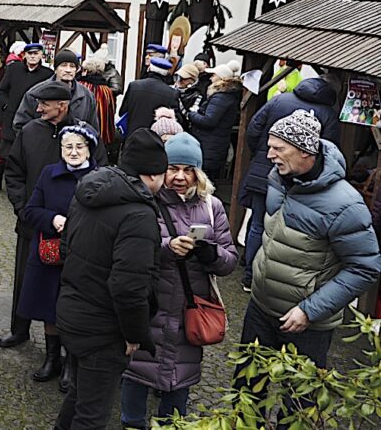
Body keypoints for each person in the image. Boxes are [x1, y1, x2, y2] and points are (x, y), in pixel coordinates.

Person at [236, 110, 380, 390]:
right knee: (246, 392)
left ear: (304, 151)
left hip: (306, 325)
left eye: (278, 148)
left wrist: (309, 311)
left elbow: (365, 267)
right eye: (269, 147)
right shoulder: (277, 178)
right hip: (261, 308)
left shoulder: (345, 205)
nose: (269, 156)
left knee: (298, 406)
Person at [54, 129, 169, 430]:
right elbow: (129, 286)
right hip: (104, 328)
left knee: (80, 394)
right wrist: (135, 333)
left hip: (73, 311)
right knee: (92, 415)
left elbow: (66, 247)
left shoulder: (88, 190)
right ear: (155, 174)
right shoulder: (139, 214)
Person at [121, 133, 237, 428]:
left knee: (179, 380)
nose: (180, 177)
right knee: (136, 374)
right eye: (173, 168)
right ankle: (132, 423)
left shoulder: (212, 207)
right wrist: (167, 247)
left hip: (188, 312)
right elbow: (130, 248)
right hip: (152, 304)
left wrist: (211, 254)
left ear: (198, 173)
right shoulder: (146, 200)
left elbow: (230, 261)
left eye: (188, 170)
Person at [1, 82, 107, 350]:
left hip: (76, 229)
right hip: (33, 219)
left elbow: (102, 172)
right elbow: (14, 173)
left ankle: (64, 348)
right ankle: (19, 328)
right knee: (26, 277)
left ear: (62, 105)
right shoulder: (29, 132)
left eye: (44, 105)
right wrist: (21, 207)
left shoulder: (85, 134)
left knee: (65, 287)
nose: (38, 109)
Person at [18, 125, 100, 389]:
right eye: (68, 147)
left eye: (79, 146)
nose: (73, 152)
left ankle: (70, 363)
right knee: (49, 307)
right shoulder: (48, 174)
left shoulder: (100, 177)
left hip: (83, 255)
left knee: (75, 310)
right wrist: (53, 218)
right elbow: (29, 211)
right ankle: (52, 358)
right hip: (50, 252)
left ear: (89, 149)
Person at [238, 77, 338, 290]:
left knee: (257, 223)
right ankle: (271, 279)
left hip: (262, 169)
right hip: (297, 179)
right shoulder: (327, 114)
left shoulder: (279, 100)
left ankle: (249, 275)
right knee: (286, 229)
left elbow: (254, 129)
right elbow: (327, 148)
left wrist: (262, 155)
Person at [0, 42, 53, 192]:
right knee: (3, 151)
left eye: (36, 54)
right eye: (30, 54)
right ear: (24, 55)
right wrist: (6, 105)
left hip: (33, 119)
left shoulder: (47, 74)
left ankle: (25, 185)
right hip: (11, 116)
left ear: (42, 55)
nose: (33, 57)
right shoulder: (13, 69)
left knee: (29, 153)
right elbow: (1, 90)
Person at [13, 50, 100, 135]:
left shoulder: (86, 96)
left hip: (73, 147)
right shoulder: (35, 93)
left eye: (72, 66)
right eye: (63, 65)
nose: (68, 70)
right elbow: (20, 125)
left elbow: (93, 129)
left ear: (77, 70)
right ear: (55, 69)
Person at [185, 60, 242, 180]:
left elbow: (209, 121)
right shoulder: (227, 95)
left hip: (209, 146)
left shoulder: (221, 97)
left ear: (221, 78)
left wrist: (191, 114)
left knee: (203, 180)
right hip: (214, 146)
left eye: (214, 75)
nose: (211, 78)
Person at [120, 57, 179, 137]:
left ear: (149, 68)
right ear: (167, 73)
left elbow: (123, 112)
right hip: (155, 140)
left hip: (132, 137)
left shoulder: (134, 86)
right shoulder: (171, 93)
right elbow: (175, 120)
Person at [77, 56, 117, 152]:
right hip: (102, 132)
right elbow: (112, 111)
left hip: (82, 130)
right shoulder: (107, 90)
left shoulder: (81, 86)